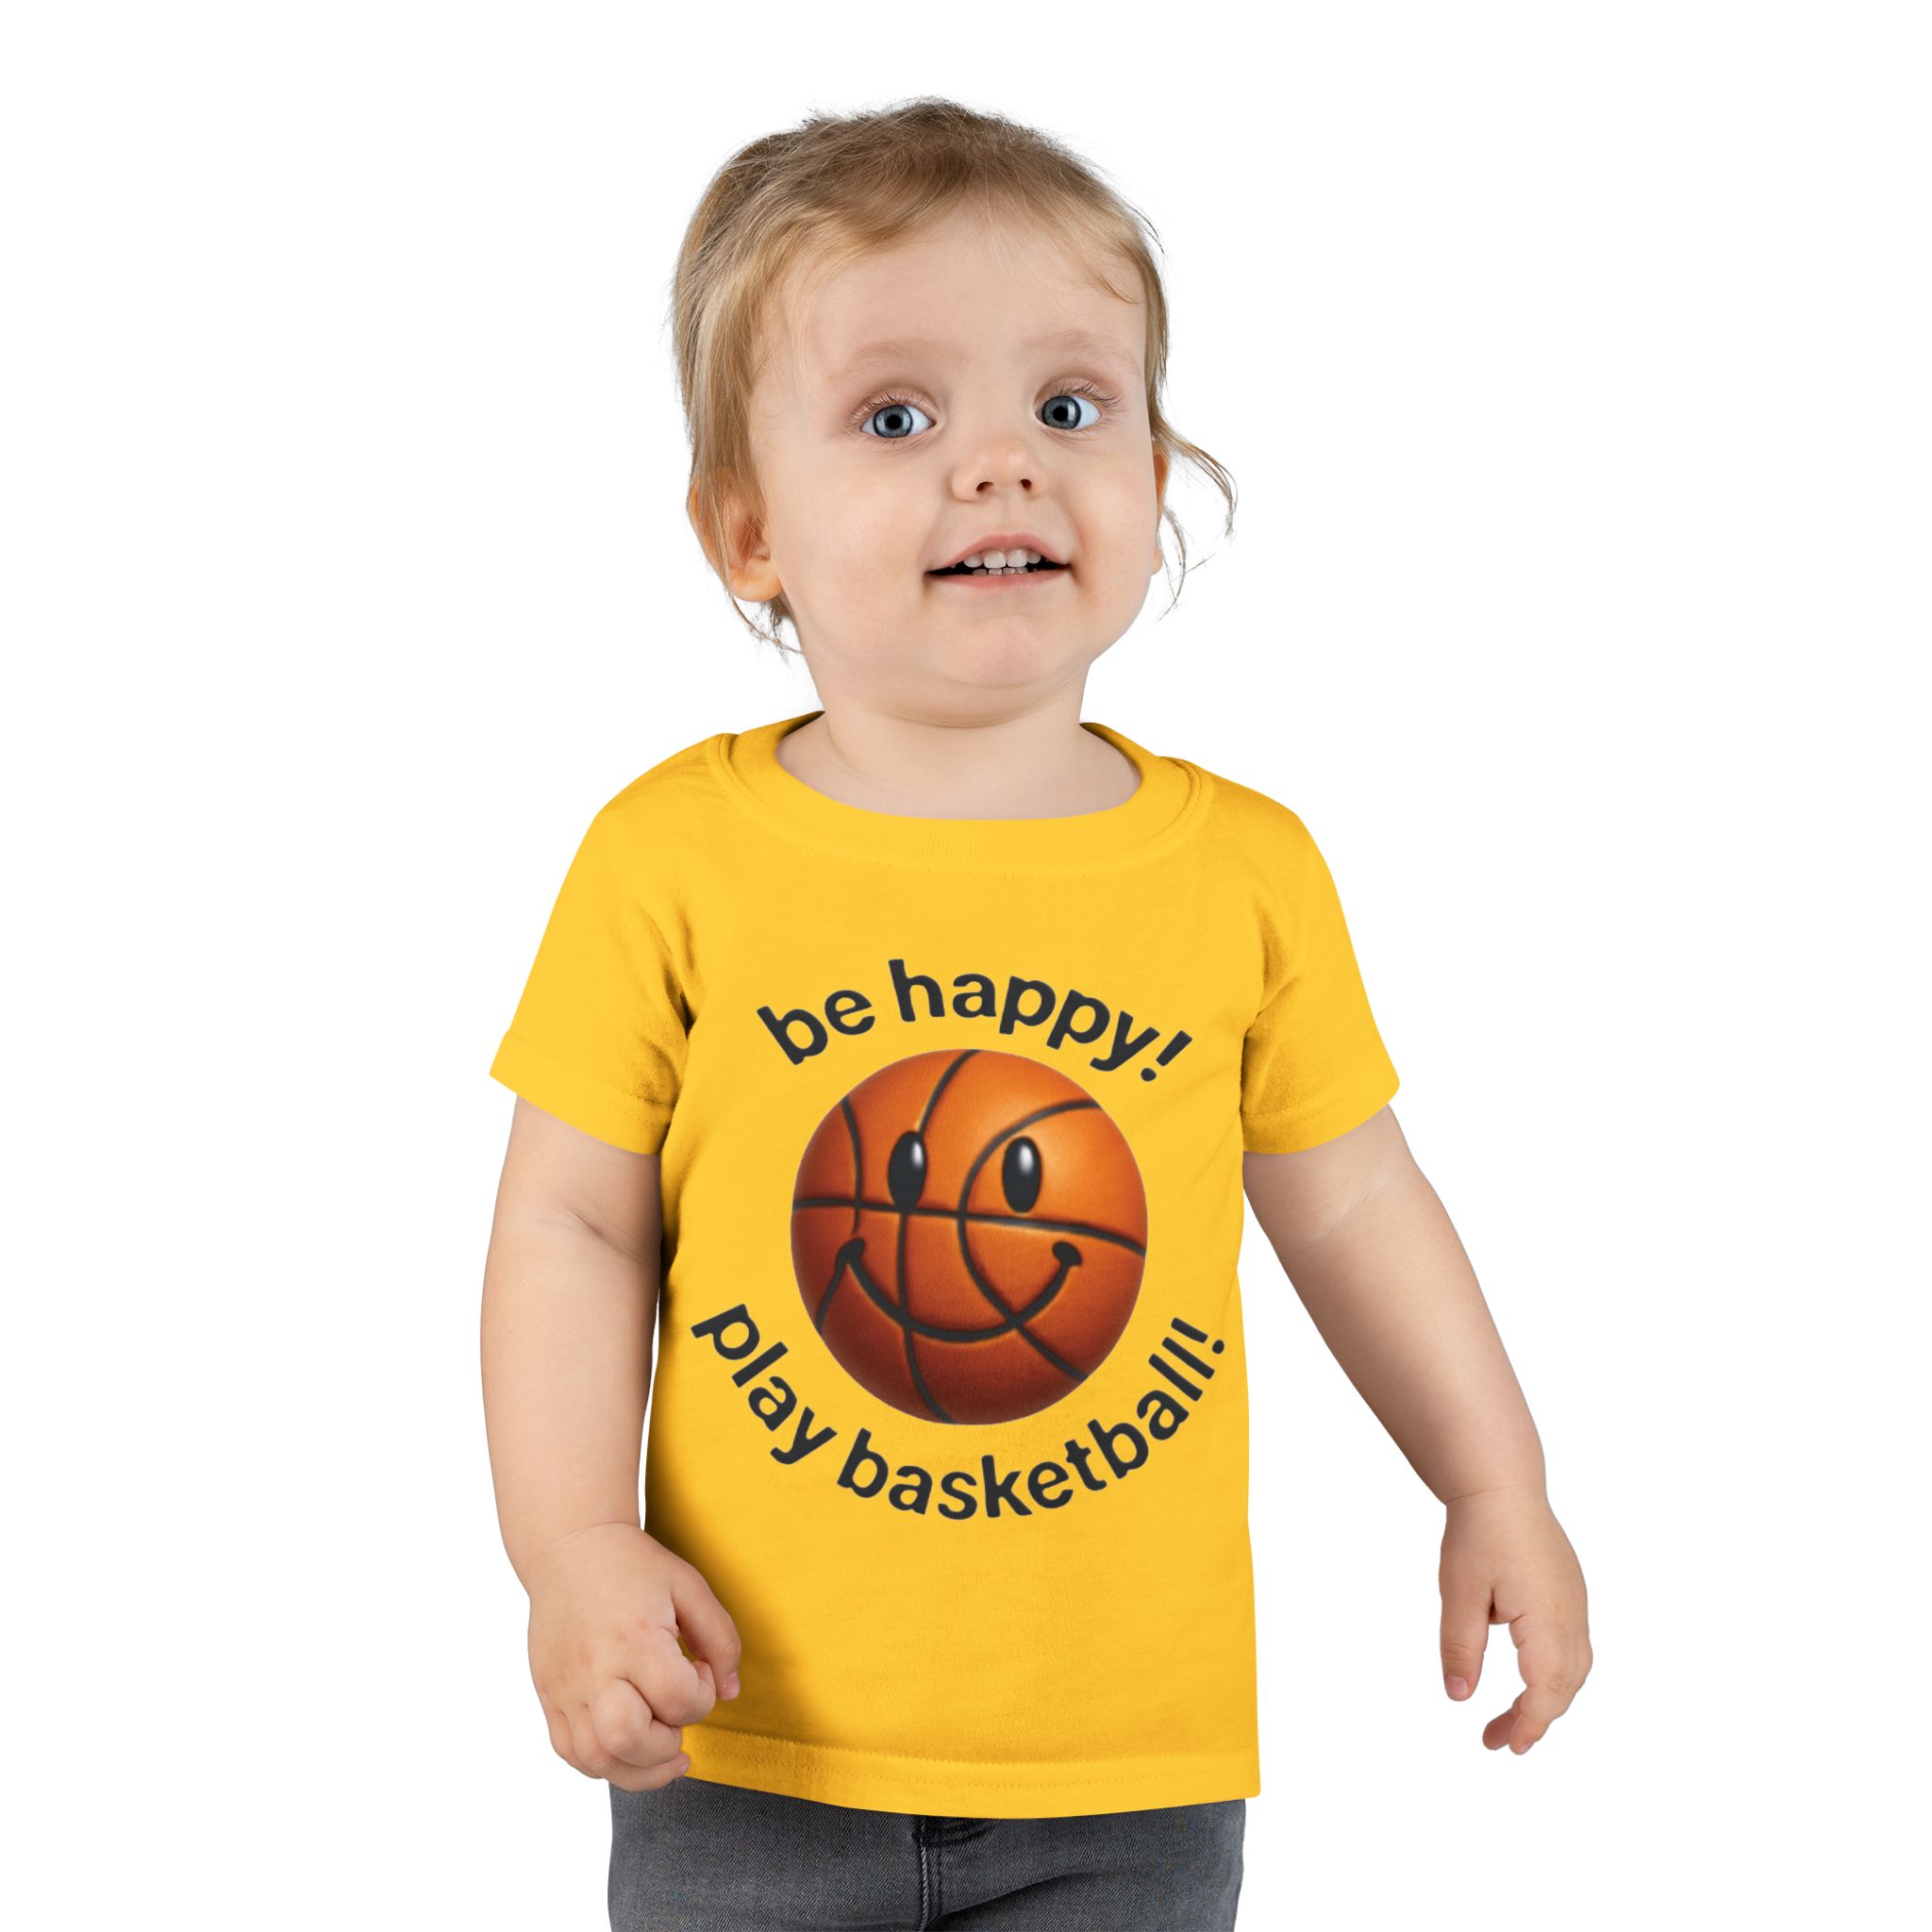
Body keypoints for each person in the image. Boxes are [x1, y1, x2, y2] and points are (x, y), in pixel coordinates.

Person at [480, 97, 1591, 1932]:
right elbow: (571, 1225)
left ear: (1157, 472)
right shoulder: (668, 856)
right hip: (741, 1741)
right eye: (896, 417)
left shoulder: (1242, 870)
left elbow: (1354, 1201)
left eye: (1071, 406)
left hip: (1126, 1775)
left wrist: (1498, 1480)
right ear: (747, 530)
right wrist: (573, 1546)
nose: (1001, 465)